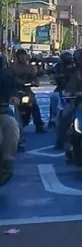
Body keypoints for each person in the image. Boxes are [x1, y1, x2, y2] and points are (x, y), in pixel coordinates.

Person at [9, 48, 45, 134]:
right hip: (16, 90)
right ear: (17, 57)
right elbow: (9, 77)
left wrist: (36, 82)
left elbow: (34, 77)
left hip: (26, 90)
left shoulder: (30, 67)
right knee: (10, 106)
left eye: (24, 55)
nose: (22, 58)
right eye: (20, 56)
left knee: (34, 105)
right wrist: (16, 81)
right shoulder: (13, 68)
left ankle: (39, 125)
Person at [0, 54, 21, 186]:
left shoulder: (4, 76)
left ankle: (6, 163)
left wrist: (13, 96)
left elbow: (11, 88)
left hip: (1, 112)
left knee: (11, 124)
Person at [49, 50, 76, 130]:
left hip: (74, 90)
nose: (68, 59)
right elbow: (53, 74)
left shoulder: (76, 67)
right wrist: (55, 76)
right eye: (66, 57)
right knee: (54, 97)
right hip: (61, 88)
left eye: (69, 57)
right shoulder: (58, 66)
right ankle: (53, 117)